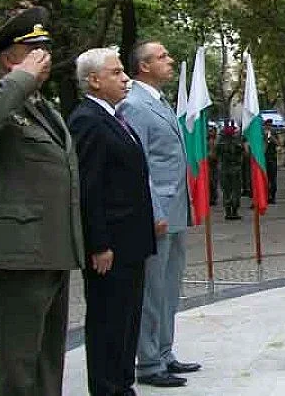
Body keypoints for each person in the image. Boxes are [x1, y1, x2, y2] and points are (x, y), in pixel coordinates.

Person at [0, 6, 84, 394]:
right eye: (34, 49)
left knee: (49, 359)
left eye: (45, 47)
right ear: (9, 59)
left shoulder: (44, 110)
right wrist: (21, 81)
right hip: (16, 255)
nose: (44, 55)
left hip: (52, 249)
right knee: (19, 365)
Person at [68, 48, 156, 396]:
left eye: (123, 72)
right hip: (112, 246)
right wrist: (99, 244)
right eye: (116, 72)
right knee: (108, 321)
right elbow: (90, 189)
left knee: (127, 318)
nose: (125, 78)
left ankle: (122, 384)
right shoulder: (88, 119)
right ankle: (107, 388)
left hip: (130, 240)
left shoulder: (115, 117)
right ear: (93, 80)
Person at [120, 41, 201, 388]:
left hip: (176, 208)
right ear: (143, 67)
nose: (170, 61)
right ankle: (149, 362)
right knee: (153, 289)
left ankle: (165, 352)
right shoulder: (135, 105)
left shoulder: (158, 102)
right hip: (157, 212)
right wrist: (154, 210)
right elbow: (139, 165)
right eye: (162, 57)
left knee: (169, 286)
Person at [216, 122, 244, 220]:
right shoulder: (237, 143)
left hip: (224, 169)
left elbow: (215, 155)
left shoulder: (220, 144)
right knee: (236, 191)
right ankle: (234, 211)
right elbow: (243, 153)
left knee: (226, 191)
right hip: (235, 169)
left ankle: (228, 212)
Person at [263, 120, 279, 204]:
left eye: (270, 125)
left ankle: (272, 196)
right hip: (264, 159)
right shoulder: (261, 134)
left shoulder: (274, 133)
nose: (269, 127)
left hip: (272, 158)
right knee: (264, 179)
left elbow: (278, 143)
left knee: (273, 179)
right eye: (267, 125)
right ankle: (265, 196)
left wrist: (271, 137)